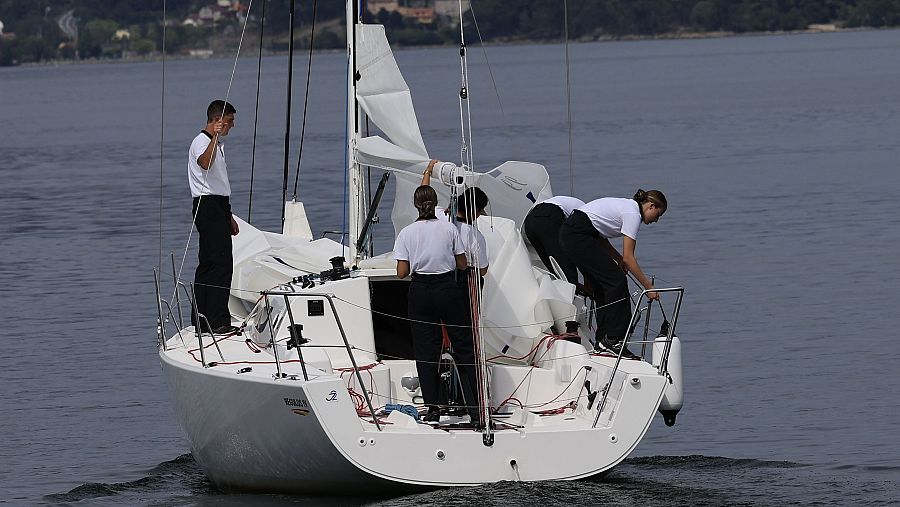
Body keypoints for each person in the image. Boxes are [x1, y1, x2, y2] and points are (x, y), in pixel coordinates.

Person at [394, 184, 481, 425]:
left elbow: (402, 272)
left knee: (425, 351)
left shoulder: (407, 233)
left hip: (420, 291)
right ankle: (476, 410)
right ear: (434, 203)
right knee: (464, 348)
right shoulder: (449, 228)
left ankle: (433, 408)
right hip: (447, 290)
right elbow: (462, 264)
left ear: (415, 205)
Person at [558, 189, 667, 359]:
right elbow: (629, 258)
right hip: (578, 235)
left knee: (604, 285)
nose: (656, 220)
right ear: (651, 206)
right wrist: (649, 287)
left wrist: (618, 259)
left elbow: (600, 235)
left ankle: (602, 341)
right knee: (616, 281)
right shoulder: (633, 214)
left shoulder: (627, 207)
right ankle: (614, 340)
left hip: (573, 233)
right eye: (658, 214)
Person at [188, 100, 240, 335]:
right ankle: (218, 321)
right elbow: (205, 164)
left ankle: (203, 318)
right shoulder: (202, 142)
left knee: (212, 262)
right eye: (229, 122)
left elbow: (217, 183)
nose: (232, 126)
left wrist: (228, 216)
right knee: (219, 264)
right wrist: (215, 138)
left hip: (218, 206)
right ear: (217, 121)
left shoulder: (215, 145)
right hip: (206, 205)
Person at [523, 195, 585, 284]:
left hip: (529, 221)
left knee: (552, 268)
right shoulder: (589, 220)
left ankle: (567, 289)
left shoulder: (583, 211)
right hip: (548, 215)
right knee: (564, 263)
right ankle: (572, 289)